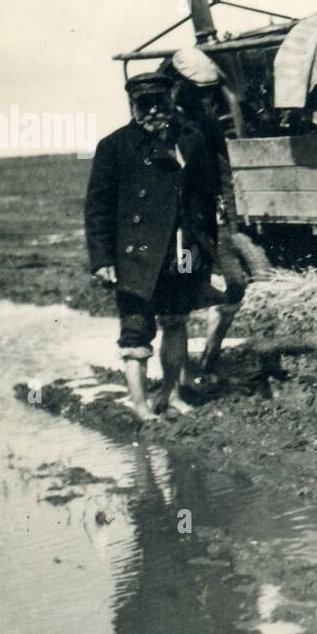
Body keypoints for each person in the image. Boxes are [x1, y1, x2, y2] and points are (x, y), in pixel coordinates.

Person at [84, 71, 223, 420]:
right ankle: (142, 408)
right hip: (137, 257)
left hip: (183, 251)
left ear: (170, 101)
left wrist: (208, 251)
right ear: (132, 106)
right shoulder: (114, 147)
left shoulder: (190, 139)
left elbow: (206, 197)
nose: (151, 112)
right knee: (136, 332)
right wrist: (102, 259)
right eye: (142, 106)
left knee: (177, 321)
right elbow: (97, 208)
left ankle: (172, 395)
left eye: (158, 104)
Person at [169, 45, 248, 384]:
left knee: (236, 285)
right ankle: (184, 376)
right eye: (199, 93)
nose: (206, 100)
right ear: (181, 87)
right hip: (180, 227)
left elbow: (224, 170)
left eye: (208, 94)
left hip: (211, 221)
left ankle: (209, 357)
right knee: (180, 299)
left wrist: (231, 219)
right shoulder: (164, 128)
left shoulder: (208, 124)